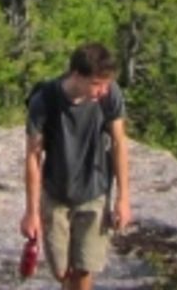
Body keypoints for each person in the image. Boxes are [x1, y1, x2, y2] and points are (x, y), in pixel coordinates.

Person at [21, 42, 130, 290]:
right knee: (62, 270)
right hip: (56, 193)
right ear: (76, 75)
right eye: (96, 84)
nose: (103, 90)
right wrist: (31, 212)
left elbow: (119, 142)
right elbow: (33, 157)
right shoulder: (45, 100)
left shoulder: (110, 94)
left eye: (106, 83)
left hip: (94, 191)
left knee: (83, 268)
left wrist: (123, 198)